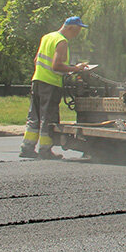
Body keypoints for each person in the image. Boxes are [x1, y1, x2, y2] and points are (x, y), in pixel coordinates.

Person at [21, 16, 89, 159]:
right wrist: (75, 68)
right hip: (50, 84)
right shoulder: (61, 41)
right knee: (48, 118)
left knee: (34, 116)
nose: (77, 34)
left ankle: (27, 148)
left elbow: (36, 60)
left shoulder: (47, 37)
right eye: (77, 30)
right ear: (70, 28)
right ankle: (45, 150)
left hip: (37, 80)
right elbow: (56, 65)